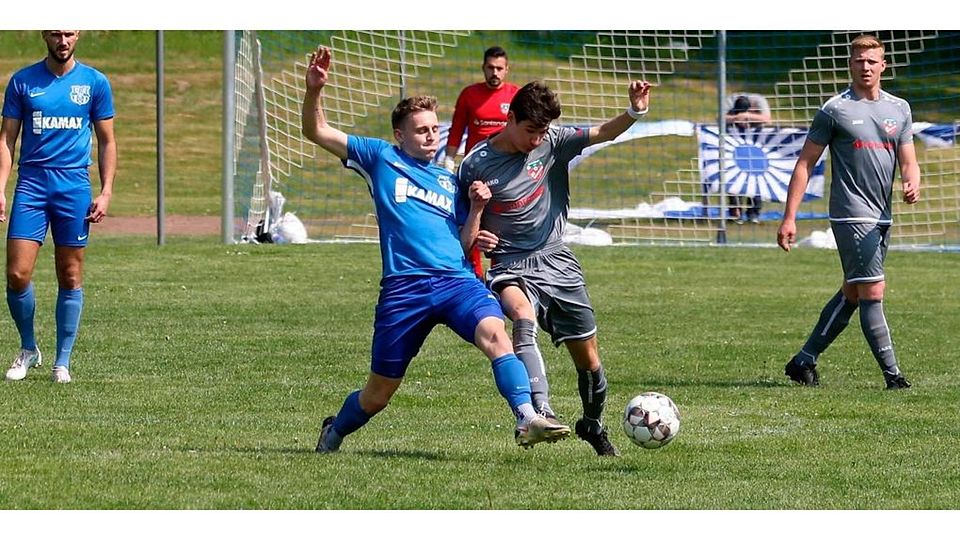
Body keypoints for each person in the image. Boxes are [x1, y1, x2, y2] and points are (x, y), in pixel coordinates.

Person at [300, 46, 570, 453]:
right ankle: (335, 429)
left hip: (456, 282)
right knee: (378, 394)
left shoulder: (449, 180)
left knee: (498, 335)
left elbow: (464, 241)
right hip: (404, 290)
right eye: (422, 129)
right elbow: (316, 132)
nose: (432, 135)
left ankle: (526, 417)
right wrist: (315, 91)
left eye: (435, 128)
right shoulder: (379, 158)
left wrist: (477, 209)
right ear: (400, 135)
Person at [458, 79, 652, 456]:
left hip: (556, 260)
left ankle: (592, 424)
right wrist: (478, 230)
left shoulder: (554, 142)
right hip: (510, 263)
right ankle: (538, 411)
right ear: (510, 119)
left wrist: (635, 111)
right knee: (521, 315)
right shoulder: (476, 164)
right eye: (530, 130)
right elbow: (462, 232)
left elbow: (603, 133)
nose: (536, 140)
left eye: (542, 131)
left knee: (590, 360)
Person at [777, 35, 920, 390]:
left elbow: (909, 160)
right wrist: (789, 217)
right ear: (850, 64)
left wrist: (911, 182)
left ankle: (804, 360)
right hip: (850, 214)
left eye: (872, 61)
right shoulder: (834, 109)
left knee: (853, 293)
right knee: (873, 291)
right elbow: (804, 164)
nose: (865, 67)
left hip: (882, 215)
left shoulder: (899, 109)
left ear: (883, 65)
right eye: (859, 61)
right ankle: (893, 376)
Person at [1, 30, 116, 384]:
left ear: (77, 34)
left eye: (68, 33)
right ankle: (28, 348)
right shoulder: (22, 81)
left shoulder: (95, 83)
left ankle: (62, 362)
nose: (62, 40)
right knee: (17, 274)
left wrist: (106, 191)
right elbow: (6, 138)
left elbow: (107, 140)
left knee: (70, 275)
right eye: (55, 34)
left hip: (73, 186)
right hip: (32, 184)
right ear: (44, 36)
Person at [442, 46, 520, 278]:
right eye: (490, 68)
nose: (494, 72)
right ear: (483, 68)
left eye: (499, 68)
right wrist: (448, 159)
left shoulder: (516, 96)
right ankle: (473, 275)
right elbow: (456, 130)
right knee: (471, 221)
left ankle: (502, 274)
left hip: (507, 172)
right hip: (475, 172)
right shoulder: (469, 95)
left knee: (502, 225)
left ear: (507, 70)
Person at [725, 93, 772, 223]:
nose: (744, 123)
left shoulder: (760, 101)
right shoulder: (728, 101)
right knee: (732, 174)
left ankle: (753, 213)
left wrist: (747, 116)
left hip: (756, 143)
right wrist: (736, 118)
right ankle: (735, 211)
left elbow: (768, 119)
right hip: (734, 140)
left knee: (756, 176)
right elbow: (720, 118)